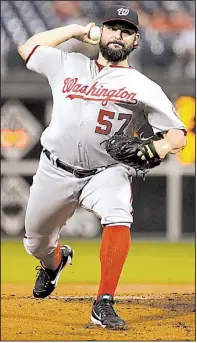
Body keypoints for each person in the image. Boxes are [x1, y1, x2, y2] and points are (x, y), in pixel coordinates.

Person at [18, 5, 186, 329]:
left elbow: (179, 133)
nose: (118, 35)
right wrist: (76, 31)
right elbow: (28, 48)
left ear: (136, 41)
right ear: (102, 32)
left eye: (126, 30)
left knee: (119, 212)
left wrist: (162, 145)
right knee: (36, 243)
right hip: (55, 169)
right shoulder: (67, 63)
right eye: (113, 27)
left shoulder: (144, 87)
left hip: (106, 171)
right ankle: (53, 263)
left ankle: (104, 301)